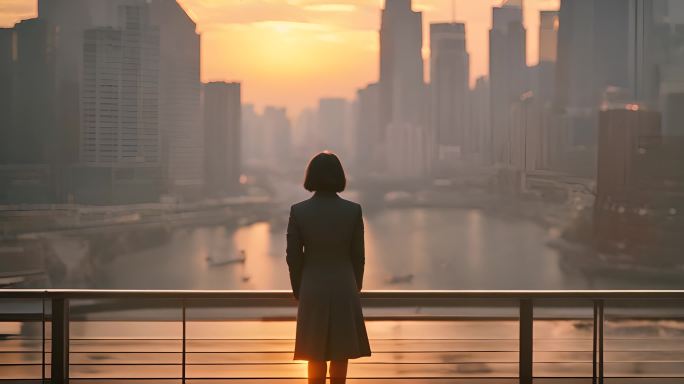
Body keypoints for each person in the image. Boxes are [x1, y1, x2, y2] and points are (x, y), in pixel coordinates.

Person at [286, 151, 371, 384]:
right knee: (340, 356)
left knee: (314, 357)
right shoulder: (353, 211)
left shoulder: (299, 211)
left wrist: (298, 289)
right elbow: (358, 257)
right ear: (339, 177)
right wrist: (355, 286)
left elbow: (293, 257)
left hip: (312, 287)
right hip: (345, 286)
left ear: (310, 176)